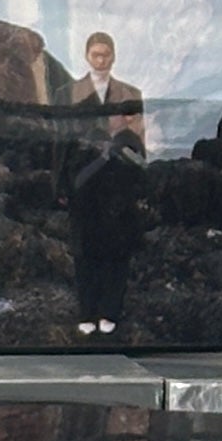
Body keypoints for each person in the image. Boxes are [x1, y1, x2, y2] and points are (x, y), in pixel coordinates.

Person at [66, 31, 149, 338]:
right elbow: (60, 143)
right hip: (84, 180)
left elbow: (138, 139)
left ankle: (110, 310)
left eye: (106, 54)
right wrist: (60, 185)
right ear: (87, 56)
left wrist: (140, 182)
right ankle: (87, 311)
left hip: (118, 182)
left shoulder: (130, 93)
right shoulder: (69, 92)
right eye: (96, 54)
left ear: (113, 56)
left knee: (117, 250)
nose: (101, 60)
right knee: (84, 251)